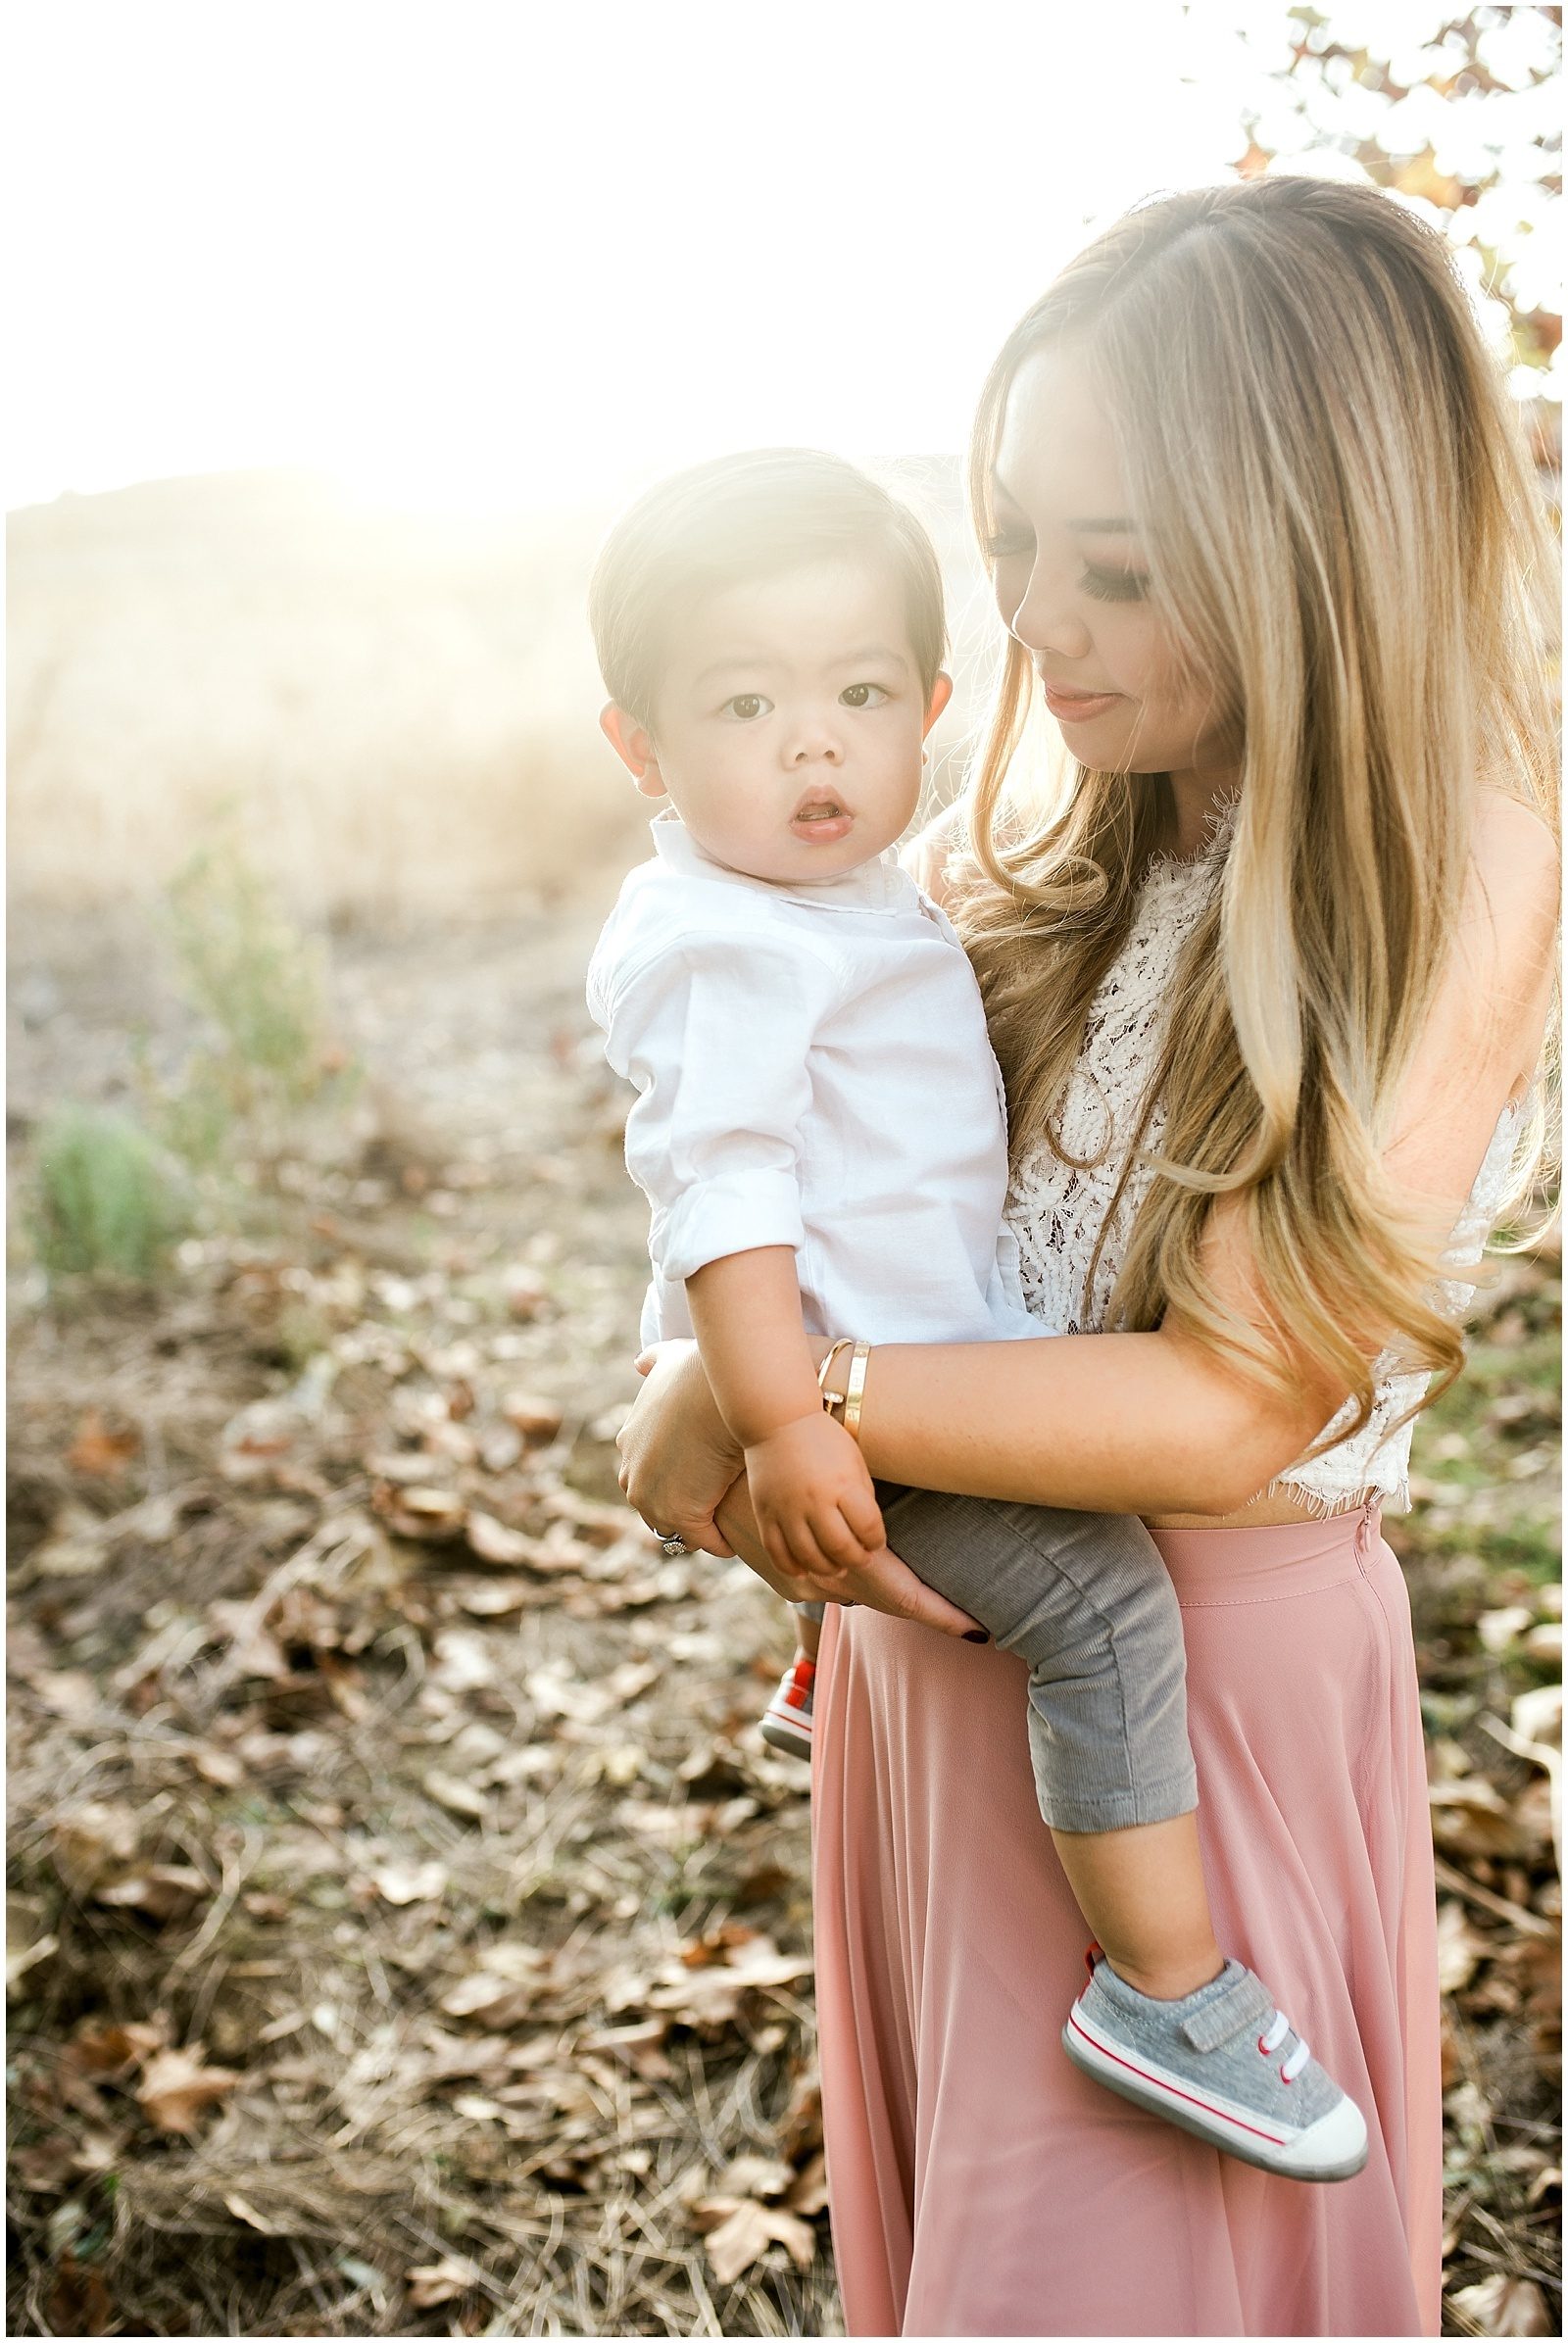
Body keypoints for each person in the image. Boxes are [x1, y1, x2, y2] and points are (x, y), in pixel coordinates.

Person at [613, 176, 1558, 2336]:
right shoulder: (1053, 832)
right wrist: (730, 1369)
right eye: (1011, 535)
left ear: (1312, 555)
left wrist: (771, 1394)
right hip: (941, 1687)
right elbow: (788, 1154)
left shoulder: (1460, 861)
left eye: (1114, 567)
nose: (1034, 620)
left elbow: (1224, 1407)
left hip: (1197, 1715)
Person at [585, 447, 1368, 2181]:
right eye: (744, 703)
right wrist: (786, 1423)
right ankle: (1169, 1986)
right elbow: (720, 1187)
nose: (813, 743)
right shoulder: (731, 944)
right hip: (870, 1407)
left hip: (903, 1368)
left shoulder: (853, 899)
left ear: (931, 707)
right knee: (1100, 1616)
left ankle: (817, 1655)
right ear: (640, 745)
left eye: (859, 694)